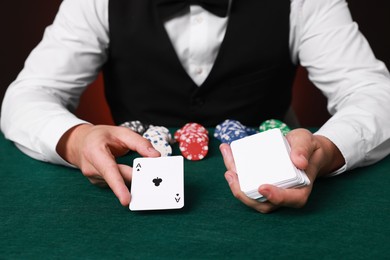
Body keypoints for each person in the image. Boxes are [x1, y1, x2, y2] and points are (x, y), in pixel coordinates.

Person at [1, 0, 390, 213]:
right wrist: (78, 138)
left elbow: (376, 94)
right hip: (132, 201)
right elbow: (25, 97)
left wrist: (327, 150)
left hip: (273, 201)